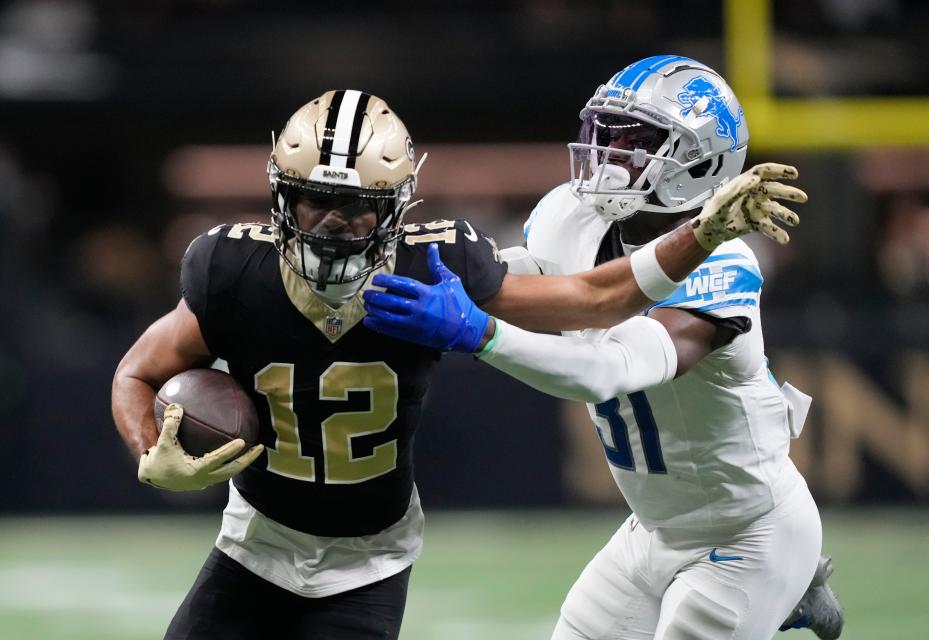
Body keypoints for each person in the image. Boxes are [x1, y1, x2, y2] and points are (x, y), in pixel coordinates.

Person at [111, 89, 799, 640]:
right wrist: (150, 447)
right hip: (254, 538)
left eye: (356, 210)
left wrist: (702, 234)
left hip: (368, 557)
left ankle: (790, 581)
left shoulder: (433, 265)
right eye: (314, 200)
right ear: (280, 196)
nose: (329, 225)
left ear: (398, 207)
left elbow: (595, 307)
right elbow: (137, 371)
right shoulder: (232, 267)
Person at [361, 56, 844, 639]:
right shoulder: (573, 214)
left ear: (701, 161)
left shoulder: (725, 264)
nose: (609, 156)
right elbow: (521, 287)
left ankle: (787, 584)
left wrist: (480, 334)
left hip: (747, 533)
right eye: (606, 134)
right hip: (656, 528)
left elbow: (607, 369)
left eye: (635, 141)